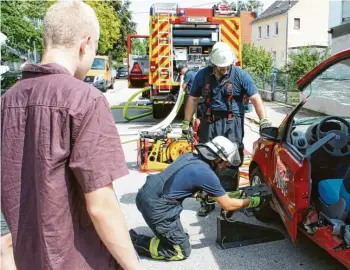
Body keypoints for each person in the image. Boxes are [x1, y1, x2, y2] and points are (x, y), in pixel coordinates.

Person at [0, 1, 141, 270]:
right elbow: (101, 207)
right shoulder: (85, 99)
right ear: (85, 43)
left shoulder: (7, 101)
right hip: (78, 261)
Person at [129, 136, 268, 261]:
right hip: (157, 207)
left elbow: (182, 182)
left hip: (147, 193)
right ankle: (134, 243)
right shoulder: (206, 174)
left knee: (181, 237)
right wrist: (255, 201)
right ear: (217, 158)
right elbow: (228, 205)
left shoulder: (189, 156)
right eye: (226, 162)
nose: (226, 166)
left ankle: (166, 235)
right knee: (180, 251)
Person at [182, 42, 271, 216]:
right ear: (212, 64)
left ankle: (229, 203)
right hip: (209, 122)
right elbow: (192, 99)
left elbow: (255, 98)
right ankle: (205, 201)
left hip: (232, 124)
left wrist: (264, 121)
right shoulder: (202, 75)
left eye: (226, 67)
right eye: (219, 67)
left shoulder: (240, 75)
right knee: (205, 161)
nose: (223, 70)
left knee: (231, 161)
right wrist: (186, 123)